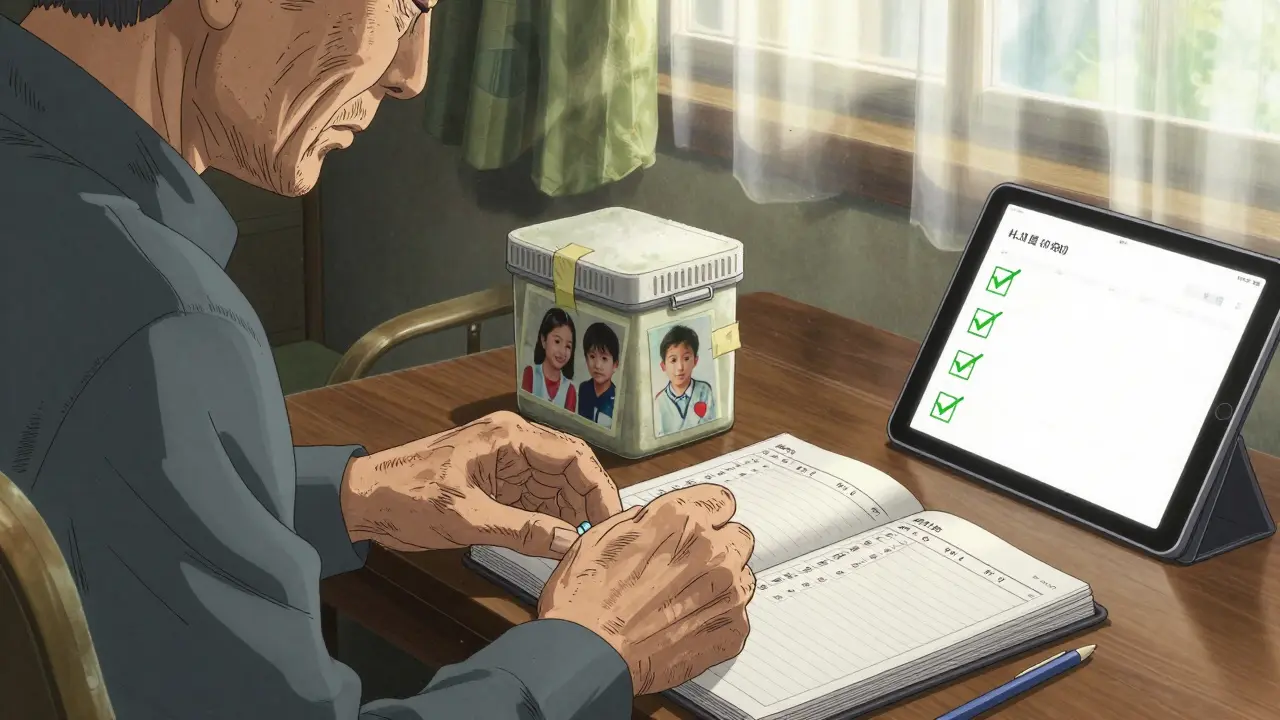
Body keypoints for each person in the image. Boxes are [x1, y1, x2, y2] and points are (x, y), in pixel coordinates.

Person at [0, 2, 756, 718]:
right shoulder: (164, 326)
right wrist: (592, 645)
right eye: (403, 5)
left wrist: (353, 493)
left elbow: (83, 486)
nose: (411, 73)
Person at [654, 325, 718, 435]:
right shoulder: (659, 401)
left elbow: (710, 425)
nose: (680, 367)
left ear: (695, 361)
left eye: (686, 358)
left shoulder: (704, 391)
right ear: (663, 366)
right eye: (673, 360)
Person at [522, 307, 578, 412]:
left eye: (568, 346)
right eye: (557, 341)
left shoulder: (570, 390)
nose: (562, 351)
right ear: (543, 340)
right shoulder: (530, 374)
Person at [578, 322, 620, 428]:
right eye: (592, 357)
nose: (597, 365)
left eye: (604, 358)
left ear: (615, 365)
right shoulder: (583, 389)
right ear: (586, 359)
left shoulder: (616, 400)